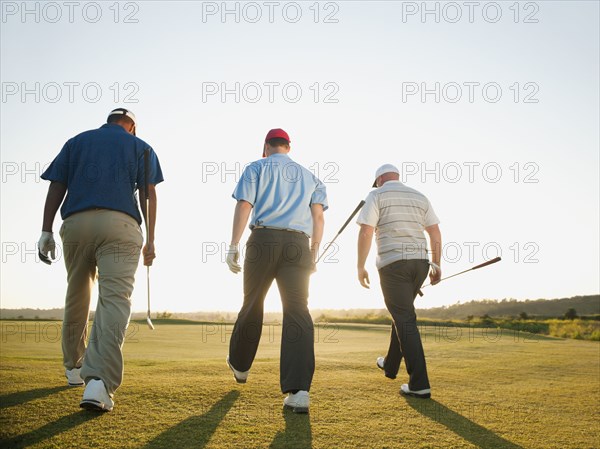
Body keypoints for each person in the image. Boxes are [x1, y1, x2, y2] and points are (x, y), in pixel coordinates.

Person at [38, 108, 164, 411]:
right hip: (120, 227)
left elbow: (57, 184)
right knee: (114, 300)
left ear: (108, 122)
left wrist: (45, 230)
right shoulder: (141, 147)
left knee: (77, 292)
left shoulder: (76, 141)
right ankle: (98, 383)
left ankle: (73, 367)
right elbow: (148, 193)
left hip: (76, 224)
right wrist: (151, 239)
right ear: (131, 127)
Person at [225, 128, 328, 413]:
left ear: (265, 146)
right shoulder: (310, 176)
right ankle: (299, 392)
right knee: (298, 311)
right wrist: (314, 253)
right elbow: (318, 217)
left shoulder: (256, 167)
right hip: (298, 244)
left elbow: (245, 204)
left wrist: (233, 244)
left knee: (253, 301)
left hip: (263, 239)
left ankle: (241, 365)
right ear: (288, 147)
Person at [356, 164, 441, 399]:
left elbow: (366, 232)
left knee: (404, 318)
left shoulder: (376, 194)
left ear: (380, 179)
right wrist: (437, 264)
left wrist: (360, 265)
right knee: (402, 314)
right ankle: (391, 365)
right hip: (421, 264)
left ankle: (419, 384)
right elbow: (434, 232)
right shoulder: (419, 196)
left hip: (394, 263)